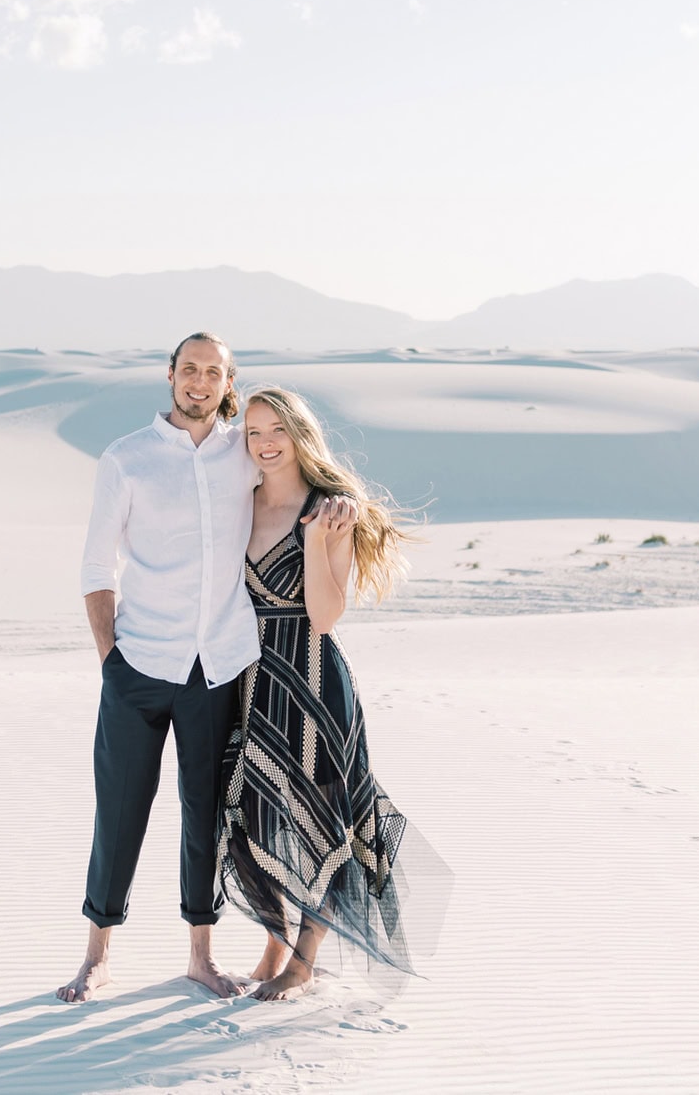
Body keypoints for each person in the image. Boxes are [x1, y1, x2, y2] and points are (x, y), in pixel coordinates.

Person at [58, 334, 354, 1003]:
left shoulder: (243, 453)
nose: (199, 381)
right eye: (188, 369)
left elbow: (298, 475)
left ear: (228, 383)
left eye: (212, 372)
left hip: (217, 670)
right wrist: (111, 662)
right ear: (170, 375)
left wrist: (342, 503)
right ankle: (96, 956)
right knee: (120, 811)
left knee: (207, 818)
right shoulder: (127, 458)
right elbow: (97, 566)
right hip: (138, 664)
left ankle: (201, 956)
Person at [219, 385, 443, 1001]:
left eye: (277, 431)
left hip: (313, 678)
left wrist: (317, 540)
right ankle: (275, 941)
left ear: (299, 435)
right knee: (255, 812)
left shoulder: (330, 510)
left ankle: (304, 960)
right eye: (253, 432)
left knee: (320, 816)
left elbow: (323, 614)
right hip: (252, 676)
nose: (265, 444)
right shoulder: (239, 500)